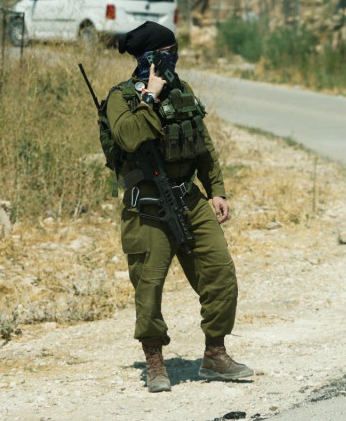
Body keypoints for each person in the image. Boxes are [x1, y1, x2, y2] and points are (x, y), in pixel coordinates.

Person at [106, 21, 252, 393]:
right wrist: (150, 97)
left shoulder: (182, 91)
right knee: (149, 286)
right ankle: (155, 362)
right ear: (153, 58)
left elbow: (202, 143)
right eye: (169, 54)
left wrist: (216, 189)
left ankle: (215, 354)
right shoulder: (122, 97)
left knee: (220, 273)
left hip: (189, 198)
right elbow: (129, 136)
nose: (175, 61)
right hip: (148, 207)